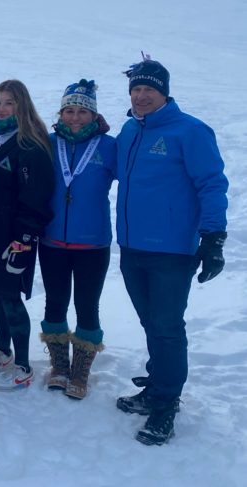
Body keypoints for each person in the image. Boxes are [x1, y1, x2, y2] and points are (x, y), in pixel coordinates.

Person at [114, 57, 228, 445]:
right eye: (137, 89)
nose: (142, 96)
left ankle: (166, 405)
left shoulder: (190, 131)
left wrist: (213, 238)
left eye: (150, 89)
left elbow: (212, 184)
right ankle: (157, 386)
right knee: (151, 323)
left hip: (171, 253)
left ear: (164, 93)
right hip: (131, 248)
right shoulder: (130, 131)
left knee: (166, 327)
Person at [0, 79, 54, 392]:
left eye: (9, 103)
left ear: (22, 107)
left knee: (11, 297)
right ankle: (4, 352)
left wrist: (24, 239)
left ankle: (24, 366)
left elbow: (36, 198)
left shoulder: (31, 145)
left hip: (14, 238)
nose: (2, 108)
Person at [38, 79, 117, 400]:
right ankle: (59, 366)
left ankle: (80, 371)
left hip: (93, 243)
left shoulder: (109, 147)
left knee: (87, 305)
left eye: (82, 111)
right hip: (52, 241)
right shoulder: (48, 142)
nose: (75, 117)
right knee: (54, 301)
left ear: (93, 114)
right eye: (69, 110)